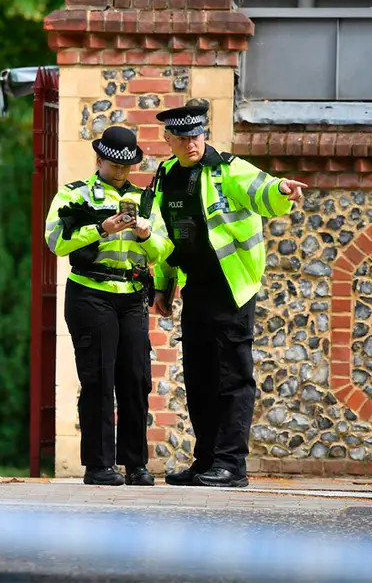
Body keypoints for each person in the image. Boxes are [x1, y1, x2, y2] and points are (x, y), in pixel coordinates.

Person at [150, 101, 305, 488]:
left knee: (233, 378)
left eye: (197, 135)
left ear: (205, 134)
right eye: (183, 138)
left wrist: (282, 191)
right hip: (196, 287)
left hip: (232, 288)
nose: (191, 144)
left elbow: (262, 190)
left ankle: (232, 465)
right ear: (168, 139)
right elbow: (165, 237)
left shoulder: (226, 168)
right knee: (199, 378)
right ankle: (206, 462)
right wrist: (164, 286)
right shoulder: (165, 176)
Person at [45, 126, 174, 486]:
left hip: (131, 294)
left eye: (126, 165)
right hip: (91, 292)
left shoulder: (145, 200)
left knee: (135, 379)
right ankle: (99, 466)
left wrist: (147, 236)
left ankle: (135, 464)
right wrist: (101, 228)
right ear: (99, 159)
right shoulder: (75, 195)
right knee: (98, 377)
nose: (120, 171)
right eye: (113, 164)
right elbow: (56, 240)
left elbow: (165, 250)